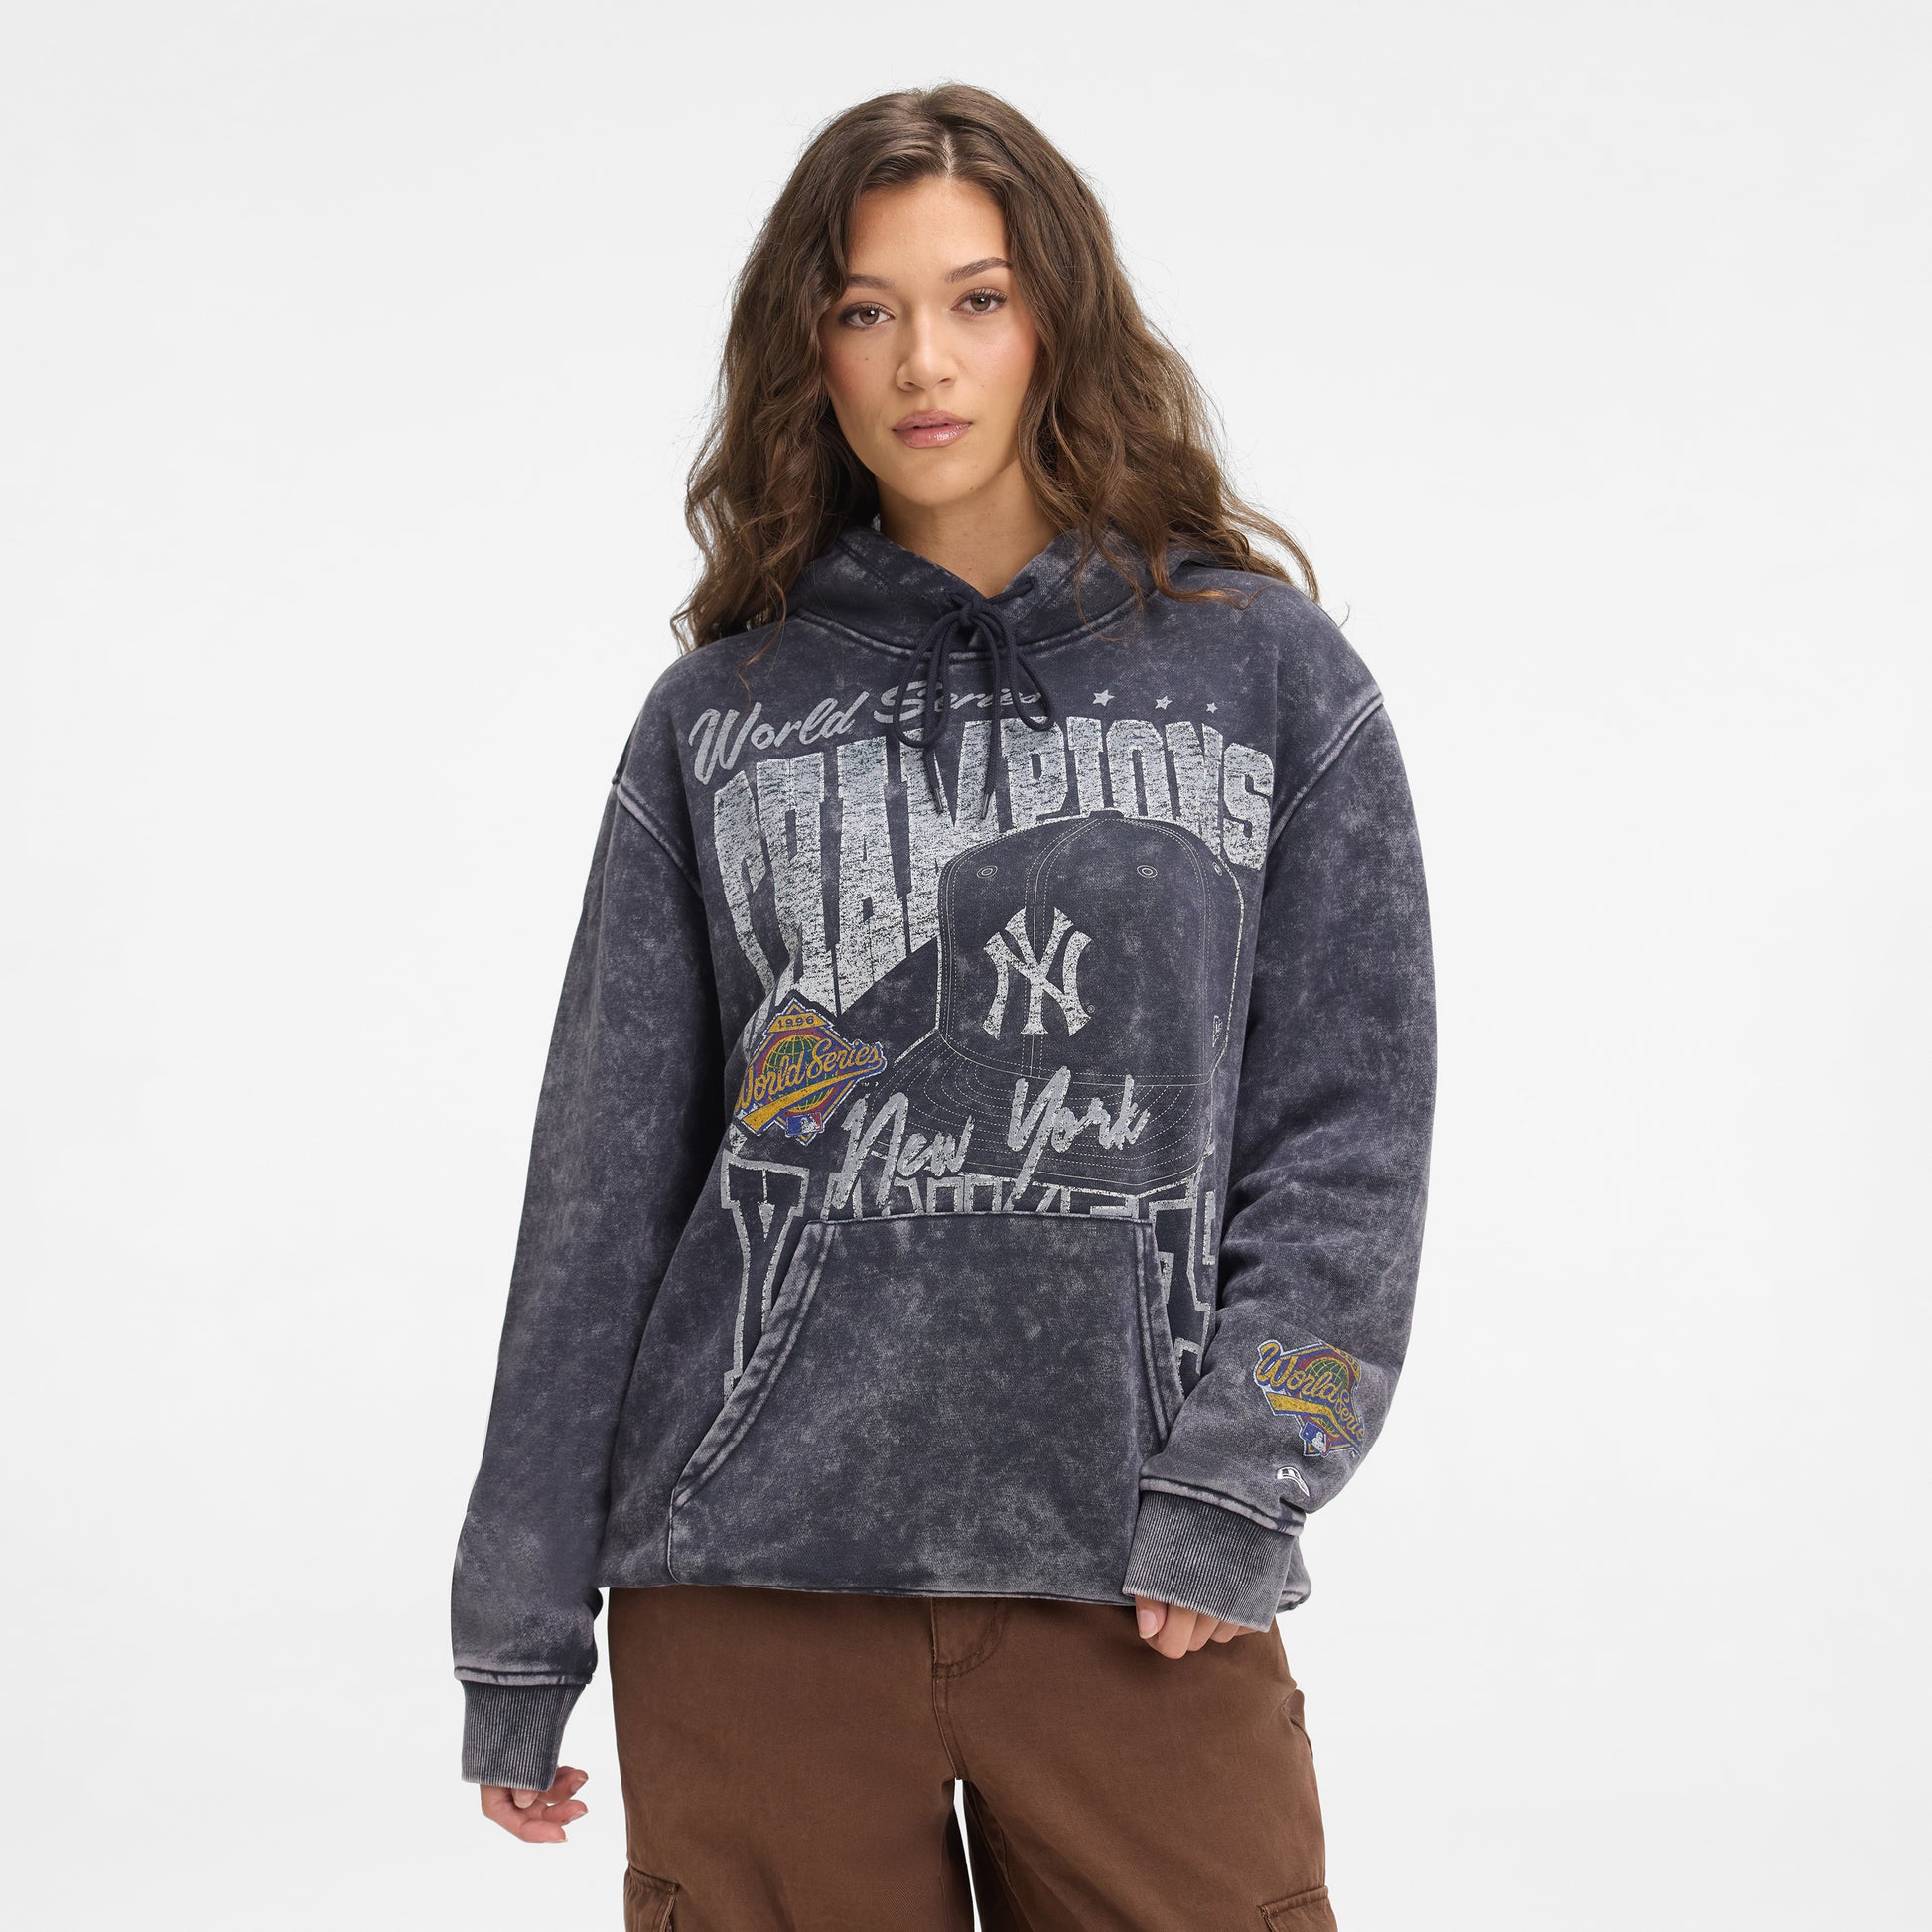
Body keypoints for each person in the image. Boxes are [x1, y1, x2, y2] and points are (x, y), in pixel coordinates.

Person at [451, 82, 1436, 1932]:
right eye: (865, 307)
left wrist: (1246, 1477)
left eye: (977, 298)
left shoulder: (1266, 676)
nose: (923, 359)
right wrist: (518, 1621)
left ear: (1059, 319)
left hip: (1134, 1579)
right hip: (746, 1588)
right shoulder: (717, 719)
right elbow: (599, 1189)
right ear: (805, 349)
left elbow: (1346, 1140)